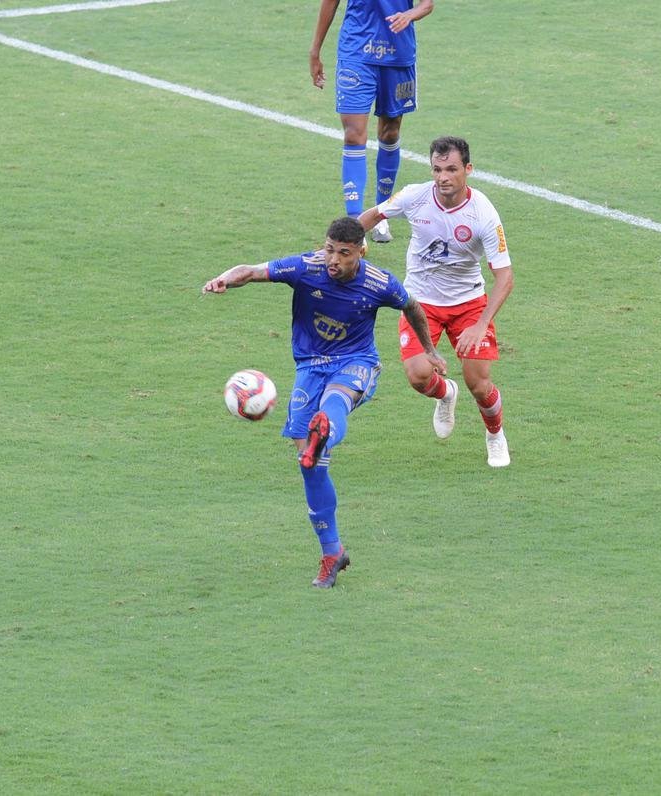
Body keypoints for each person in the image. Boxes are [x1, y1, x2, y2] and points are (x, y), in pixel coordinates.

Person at [202, 217, 445, 588]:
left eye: (343, 253)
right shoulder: (307, 267)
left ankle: (325, 430)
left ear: (360, 252)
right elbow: (250, 271)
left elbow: (412, 307)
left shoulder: (379, 282)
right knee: (310, 466)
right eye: (329, 249)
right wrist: (223, 279)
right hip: (309, 368)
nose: (333, 259)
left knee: (336, 401)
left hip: (357, 362)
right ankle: (332, 552)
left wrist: (429, 350)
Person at [358, 136, 514, 468]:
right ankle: (445, 394)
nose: (443, 177)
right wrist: (341, 242)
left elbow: (505, 276)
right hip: (420, 303)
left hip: (468, 305)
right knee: (417, 376)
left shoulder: (483, 213)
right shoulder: (415, 197)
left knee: (479, 383)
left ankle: (495, 435)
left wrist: (482, 322)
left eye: (451, 169)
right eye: (437, 169)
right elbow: (372, 216)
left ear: (468, 170)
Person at [309, 0, 434, 242]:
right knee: (354, 134)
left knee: (390, 132)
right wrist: (315, 51)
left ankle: (381, 215)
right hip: (356, 52)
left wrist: (409, 15)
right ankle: (356, 224)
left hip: (398, 55)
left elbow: (427, 4)